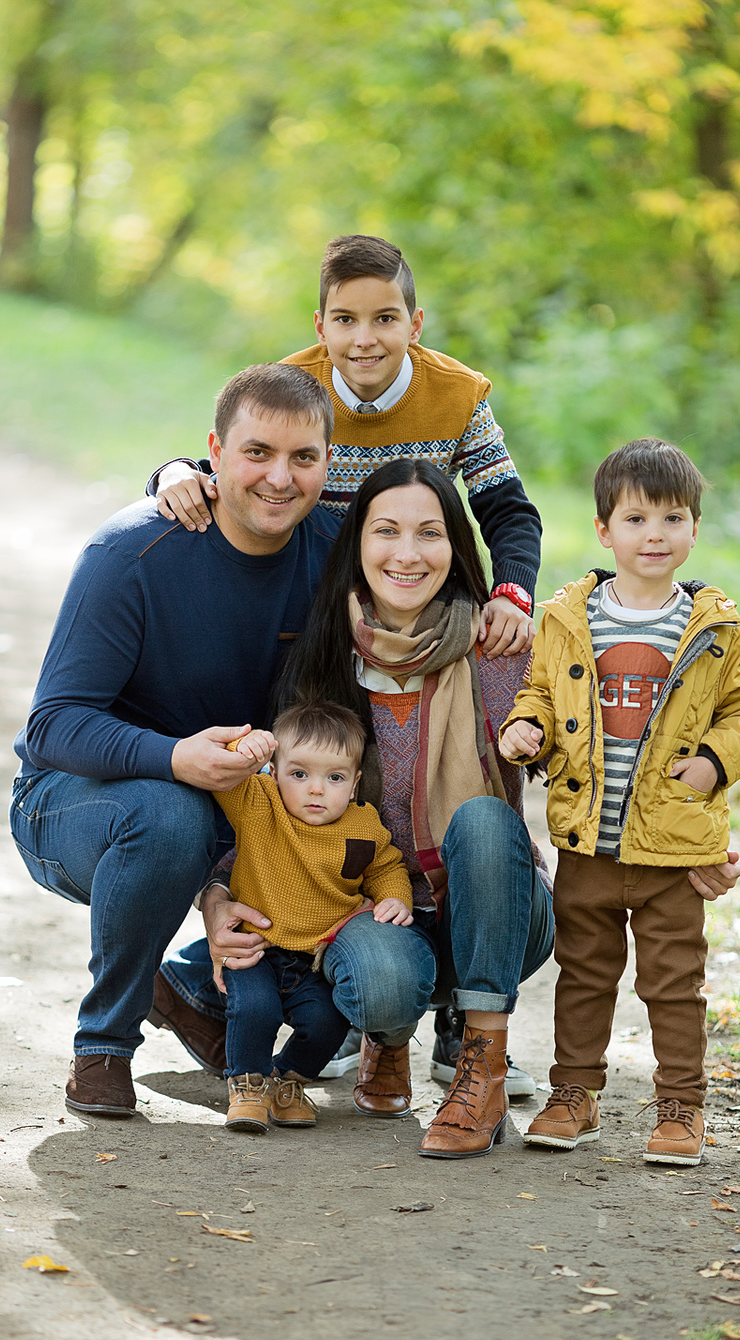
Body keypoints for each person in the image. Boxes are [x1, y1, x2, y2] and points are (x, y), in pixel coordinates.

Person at [153, 233, 544, 1095]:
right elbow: (230, 459)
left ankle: (456, 1021)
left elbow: (508, 508)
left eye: (384, 318)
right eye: (344, 320)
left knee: (449, 806)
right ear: (320, 324)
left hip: (421, 613)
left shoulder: (457, 397)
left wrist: (511, 595)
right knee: (305, 784)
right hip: (319, 617)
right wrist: (174, 469)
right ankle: (269, 960)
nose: (364, 339)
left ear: (414, 321)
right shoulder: (292, 383)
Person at [10, 363, 354, 1116]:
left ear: (328, 464)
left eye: (304, 458)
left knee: (345, 801)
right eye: (256, 452)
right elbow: (53, 723)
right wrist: (173, 757)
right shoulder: (132, 553)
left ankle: (190, 980)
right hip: (70, 804)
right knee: (170, 814)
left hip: (233, 804)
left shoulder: (333, 552)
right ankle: (103, 1046)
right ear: (214, 454)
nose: (279, 477)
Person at [205, 453, 553, 1158]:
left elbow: (590, 759)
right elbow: (265, 803)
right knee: (387, 983)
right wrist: (215, 891)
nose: (406, 553)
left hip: (489, 904)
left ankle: (479, 1067)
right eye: (385, 531)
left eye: (429, 534)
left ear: (455, 547)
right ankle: (387, 1035)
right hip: (360, 909)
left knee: (485, 819)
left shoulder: (499, 649)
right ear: (356, 543)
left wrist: (682, 841)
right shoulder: (320, 657)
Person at [500, 439, 740, 1166]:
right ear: (604, 530)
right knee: (585, 973)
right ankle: (575, 1095)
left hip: (674, 845)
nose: (654, 535)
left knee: (673, 982)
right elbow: (538, 690)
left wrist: (714, 763)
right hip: (589, 838)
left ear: (694, 529)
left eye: (672, 518)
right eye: (636, 518)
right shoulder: (570, 619)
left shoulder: (714, 629)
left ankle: (682, 1105)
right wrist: (524, 726)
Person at [212, 702, 413, 1133]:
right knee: (256, 1012)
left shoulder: (363, 824)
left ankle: (286, 1084)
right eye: (299, 774)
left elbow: (386, 867)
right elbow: (223, 773)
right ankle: (246, 1087)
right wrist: (245, 746)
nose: (316, 790)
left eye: (334, 777)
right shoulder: (259, 802)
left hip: (316, 960)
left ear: (356, 782)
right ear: (274, 771)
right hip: (257, 947)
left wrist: (396, 897)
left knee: (327, 1023)